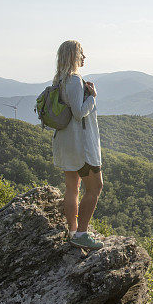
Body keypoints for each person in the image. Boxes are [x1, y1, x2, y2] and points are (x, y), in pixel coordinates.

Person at [51, 39, 104, 250]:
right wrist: (93, 96)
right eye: (81, 53)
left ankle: (73, 231)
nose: (84, 57)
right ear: (74, 56)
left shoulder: (60, 80)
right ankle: (81, 233)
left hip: (66, 142)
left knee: (73, 187)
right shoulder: (73, 80)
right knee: (95, 187)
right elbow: (79, 112)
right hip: (80, 145)